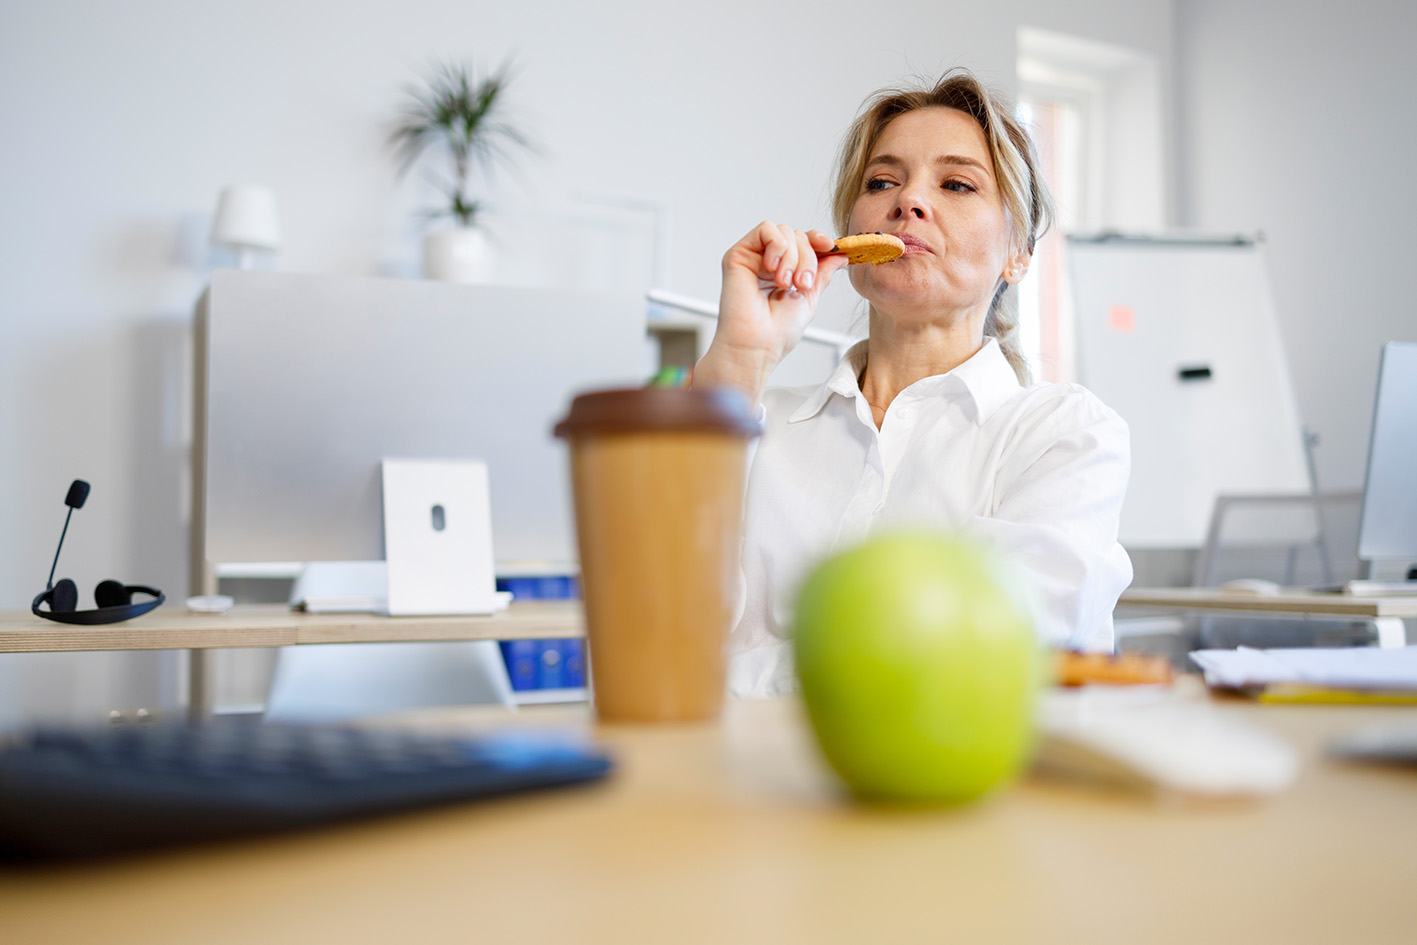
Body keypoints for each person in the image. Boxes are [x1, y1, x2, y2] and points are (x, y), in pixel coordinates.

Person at [692, 70, 1134, 697]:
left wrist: (739, 678)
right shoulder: (753, 424)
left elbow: (986, 663)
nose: (908, 202)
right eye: (881, 182)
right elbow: (650, 631)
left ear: (1019, 253)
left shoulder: (1063, 436)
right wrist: (741, 356)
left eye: (957, 183)